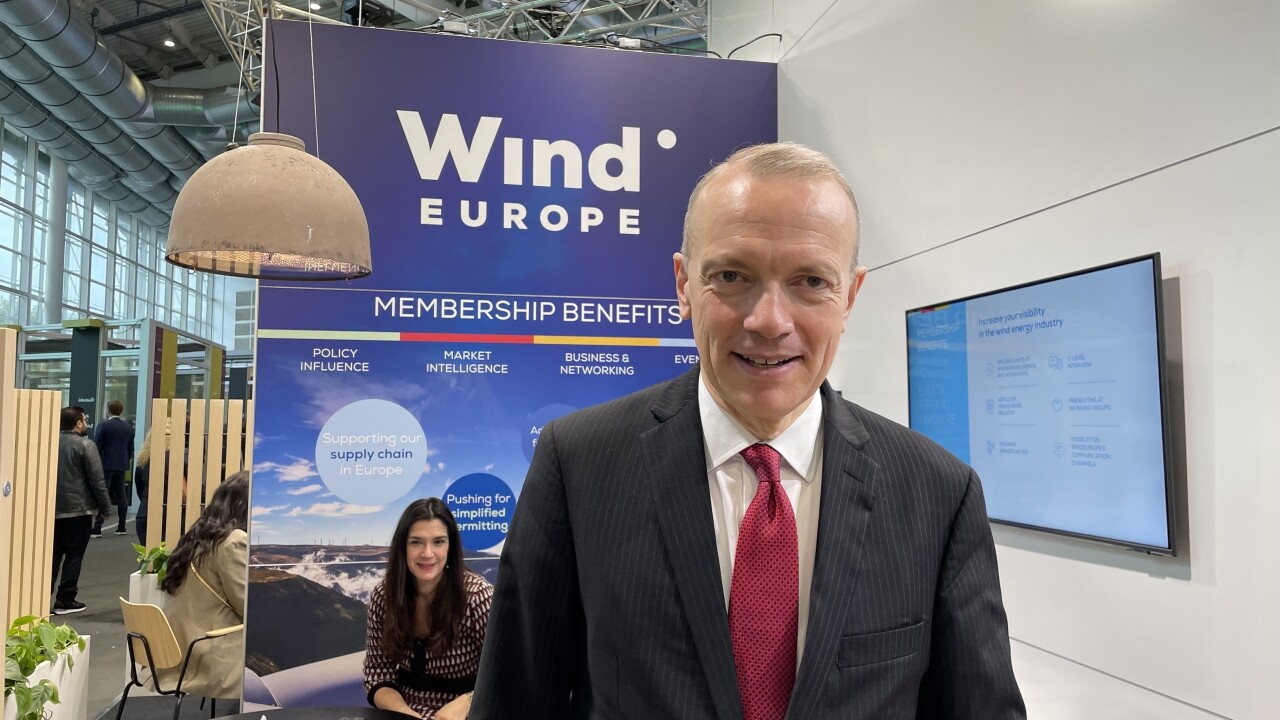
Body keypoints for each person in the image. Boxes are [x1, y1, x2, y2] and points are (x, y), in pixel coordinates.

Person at [471, 143, 1026, 719]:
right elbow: (515, 704)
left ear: (850, 297)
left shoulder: (938, 492)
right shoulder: (579, 464)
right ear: (684, 285)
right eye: (732, 276)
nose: (769, 321)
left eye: (811, 281)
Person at [364, 498, 493, 720]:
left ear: (450, 547)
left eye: (438, 542)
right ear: (403, 547)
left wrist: (467, 702)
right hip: (403, 713)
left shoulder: (478, 597)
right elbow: (378, 672)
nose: (427, 553)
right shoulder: (384, 597)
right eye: (416, 542)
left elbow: (507, 672)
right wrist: (408, 716)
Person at [156, 471, 249, 700]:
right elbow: (247, 606)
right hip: (214, 654)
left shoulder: (200, 536)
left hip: (181, 648)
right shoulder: (234, 541)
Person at [51, 406, 112, 615]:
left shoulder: (50, 443)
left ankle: (40, 598)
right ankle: (65, 599)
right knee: (74, 556)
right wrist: (105, 507)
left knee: (52, 556)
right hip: (78, 510)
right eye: (84, 420)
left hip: (52, 510)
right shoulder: (86, 445)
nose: (86, 423)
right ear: (78, 423)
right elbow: (97, 480)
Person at [91, 399, 134, 537]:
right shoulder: (128, 428)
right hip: (121, 466)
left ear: (108, 409)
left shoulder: (103, 425)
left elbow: (96, 446)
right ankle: (122, 526)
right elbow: (130, 449)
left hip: (105, 465)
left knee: (103, 495)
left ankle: (97, 528)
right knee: (121, 496)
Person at [133, 427, 154, 545]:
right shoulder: (178, 464)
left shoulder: (142, 463)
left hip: (144, 514)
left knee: (148, 554)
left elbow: (140, 489)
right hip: (169, 518)